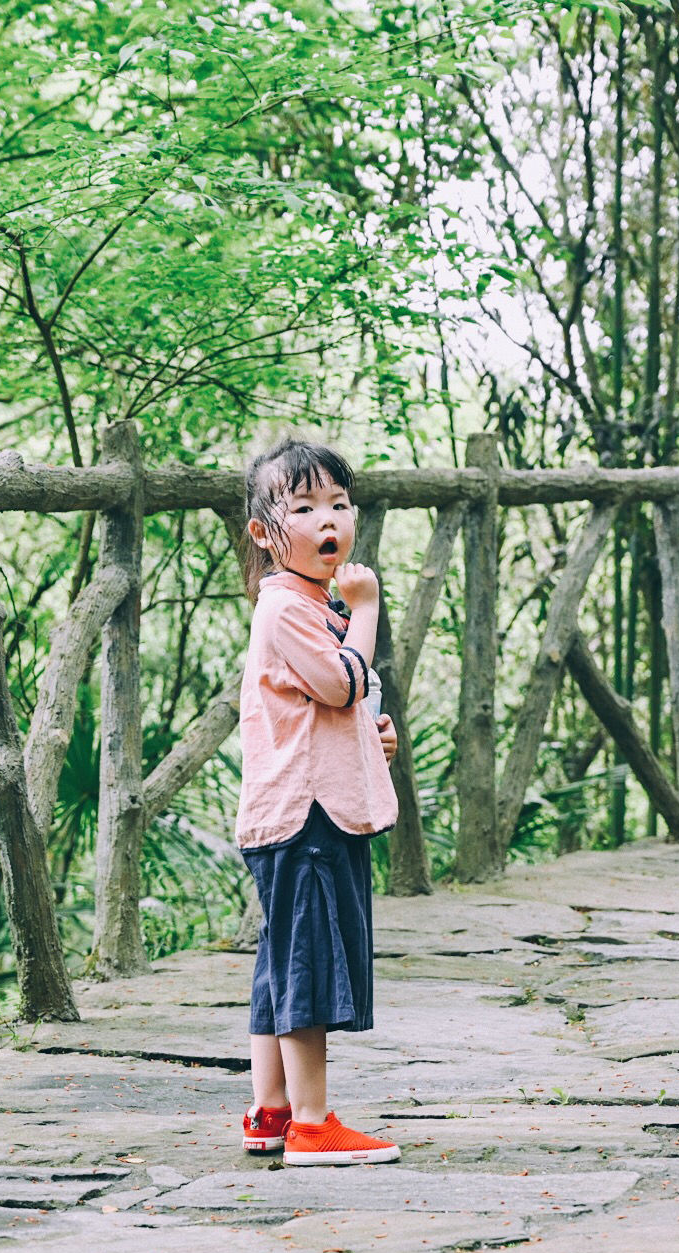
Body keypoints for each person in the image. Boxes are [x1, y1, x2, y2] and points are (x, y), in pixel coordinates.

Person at [234, 434, 402, 1166]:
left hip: (305, 806)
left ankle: (269, 1111)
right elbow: (339, 681)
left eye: (338, 502)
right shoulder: (289, 610)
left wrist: (373, 738)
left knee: (282, 962)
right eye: (303, 506)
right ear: (266, 533)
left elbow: (332, 707)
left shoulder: (310, 605)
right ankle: (310, 1121)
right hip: (306, 815)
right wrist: (366, 608)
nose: (328, 517)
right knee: (305, 963)